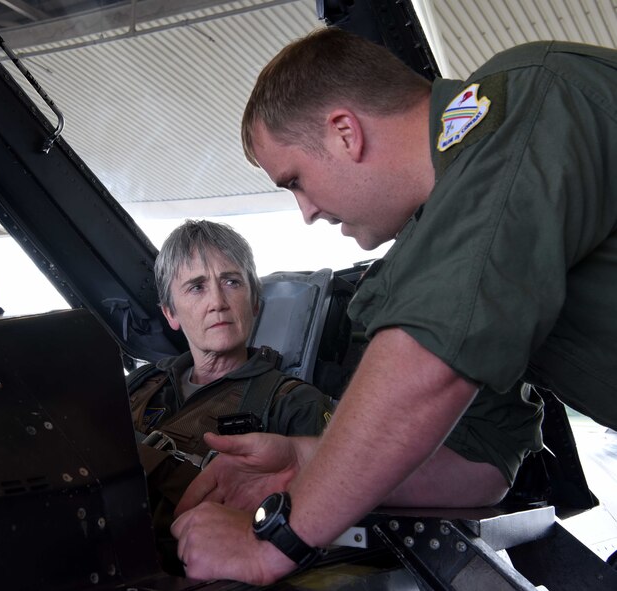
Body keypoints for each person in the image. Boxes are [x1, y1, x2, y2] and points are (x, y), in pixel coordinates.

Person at [171, 28, 617, 584]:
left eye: (296, 181)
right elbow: (481, 469)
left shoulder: (526, 105)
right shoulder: (449, 247)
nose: (306, 212)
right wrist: (305, 463)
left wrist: (277, 542)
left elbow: (429, 367)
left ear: (343, 133)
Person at [128, 219, 335, 574]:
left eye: (231, 281)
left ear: (255, 301)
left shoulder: (295, 404)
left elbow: (328, 536)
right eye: (196, 287)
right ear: (170, 313)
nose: (218, 302)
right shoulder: (143, 384)